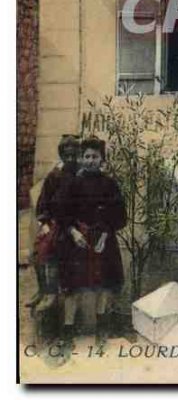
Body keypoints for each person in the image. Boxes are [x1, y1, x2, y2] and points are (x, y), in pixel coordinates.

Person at [56, 137, 126, 345]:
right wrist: (73, 232)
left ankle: (101, 331)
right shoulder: (72, 183)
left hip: (103, 240)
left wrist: (105, 236)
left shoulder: (110, 184)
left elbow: (119, 215)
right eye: (86, 156)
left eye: (95, 156)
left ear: (102, 159)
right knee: (73, 287)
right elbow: (61, 211)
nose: (90, 160)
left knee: (103, 285)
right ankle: (67, 334)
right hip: (77, 240)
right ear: (81, 158)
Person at [28, 135, 80, 313]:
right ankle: (42, 290)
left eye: (74, 155)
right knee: (35, 252)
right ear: (62, 155)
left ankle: (51, 294)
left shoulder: (79, 176)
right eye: (67, 155)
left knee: (50, 252)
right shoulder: (55, 175)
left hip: (72, 224)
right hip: (54, 221)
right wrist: (44, 222)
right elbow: (44, 200)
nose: (71, 159)